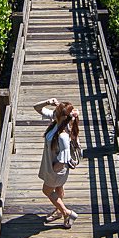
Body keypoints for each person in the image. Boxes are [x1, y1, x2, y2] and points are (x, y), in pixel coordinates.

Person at [34, 97, 79, 228]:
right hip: (55, 168)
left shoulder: (63, 135)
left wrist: (53, 170)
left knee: (46, 190)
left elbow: (63, 159)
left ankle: (66, 212)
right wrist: (48, 102)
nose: (55, 110)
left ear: (61, 116)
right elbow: (37, 108)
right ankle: (59, 212)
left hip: (56, 169)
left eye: (57, 110)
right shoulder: (57, 121)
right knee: (59, 188)